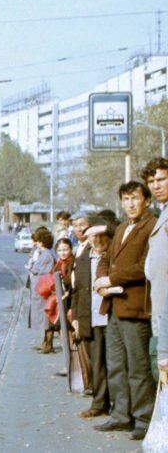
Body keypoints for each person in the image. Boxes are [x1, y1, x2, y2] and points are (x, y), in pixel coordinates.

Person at [94, 181, 157, 441]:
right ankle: (121, 414)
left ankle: (143, 419)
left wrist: (112, 279)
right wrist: (100, 280)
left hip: (136, 308)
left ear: (146, 201)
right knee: (117, 365)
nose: (130, 204)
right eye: (125, 199)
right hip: (115, 308)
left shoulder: (152, 227)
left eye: (135, 198)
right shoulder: (121, 228)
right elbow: (106, 258)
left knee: (138, 368)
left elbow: (146, 265)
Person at [74, 222, 115, 418]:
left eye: (101, 236)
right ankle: (100, 402)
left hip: (111, 315)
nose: (97, 240)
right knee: (97, 363)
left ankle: (116, 404)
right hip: (90, 317)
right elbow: (77, 291)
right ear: (88, 238)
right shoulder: (83, 258)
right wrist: (75, 319)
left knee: (114, 363)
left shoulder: (113, 255)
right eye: (93, 236)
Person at [141, 158, 168, 381]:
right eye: (152, 181)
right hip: (160, 312)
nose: (156, 185)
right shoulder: (163, 214)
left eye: (161, 179)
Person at [28, 227, 55, 349]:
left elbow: (40, 270)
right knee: (43, 317)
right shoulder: (43, 253)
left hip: (43, 290)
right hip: (40, 290)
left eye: (38, 241)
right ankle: (45, 342)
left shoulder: (46, 255)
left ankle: (48, 344)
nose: (36, 243)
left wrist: (32, 269)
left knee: (46, 317)